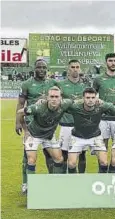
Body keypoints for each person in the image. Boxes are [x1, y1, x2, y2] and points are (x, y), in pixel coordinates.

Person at [15, 59, 57, 194]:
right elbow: (21, 104)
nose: (42, 70)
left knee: (50, 155)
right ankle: (26, 184)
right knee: (27, 156)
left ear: (47, 69)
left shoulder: (52, 83)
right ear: (35, 68)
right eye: (39, 67)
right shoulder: (27, 84)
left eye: (44, 67)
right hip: (31, 124)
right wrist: (17, 122)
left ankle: (53, 182)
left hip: (47, 124)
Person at [16, 87, 72, 186]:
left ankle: (56, 184)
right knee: (31, 160)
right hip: (33, 135)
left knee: (59, 159)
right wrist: (25, 130)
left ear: (61, 98)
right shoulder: (38, 107)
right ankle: (29, 186)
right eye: (51, 96)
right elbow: (20, 112)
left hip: (49, 136)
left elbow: (77, 102)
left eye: (56, 96)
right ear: (47, 98)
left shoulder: (65, 104)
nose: (54, 99)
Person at [66, 88, 114, 174]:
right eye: (88, 98)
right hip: (77, 137)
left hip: (95, 137)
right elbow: (60, 105)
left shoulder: (101, 106)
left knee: (104, 162)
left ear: (96, 98)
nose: (90, 100)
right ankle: (73, 182)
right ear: (83, 98)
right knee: (71, 164)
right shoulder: (75, 107)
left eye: (93, 97)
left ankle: (100, 181)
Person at [93, 53, 115, 151]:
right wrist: (97, 100)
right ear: (106, 62)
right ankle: (103, 166)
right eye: (110, 61)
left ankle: (114, 167)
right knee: (102, 147)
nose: (113, 63)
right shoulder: (98, 79)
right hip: (103, 118)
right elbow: (92, 96)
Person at [57, 60, 88, 174]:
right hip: (66, 125)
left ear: (80, 69)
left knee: (82, 154)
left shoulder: (85, 85)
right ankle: (65, 179)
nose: (75, 69)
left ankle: (81, 178)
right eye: (73, 67)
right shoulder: (60, 85)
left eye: (77, 67)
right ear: (68, 69)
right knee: (64, 153)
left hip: (82, 124)